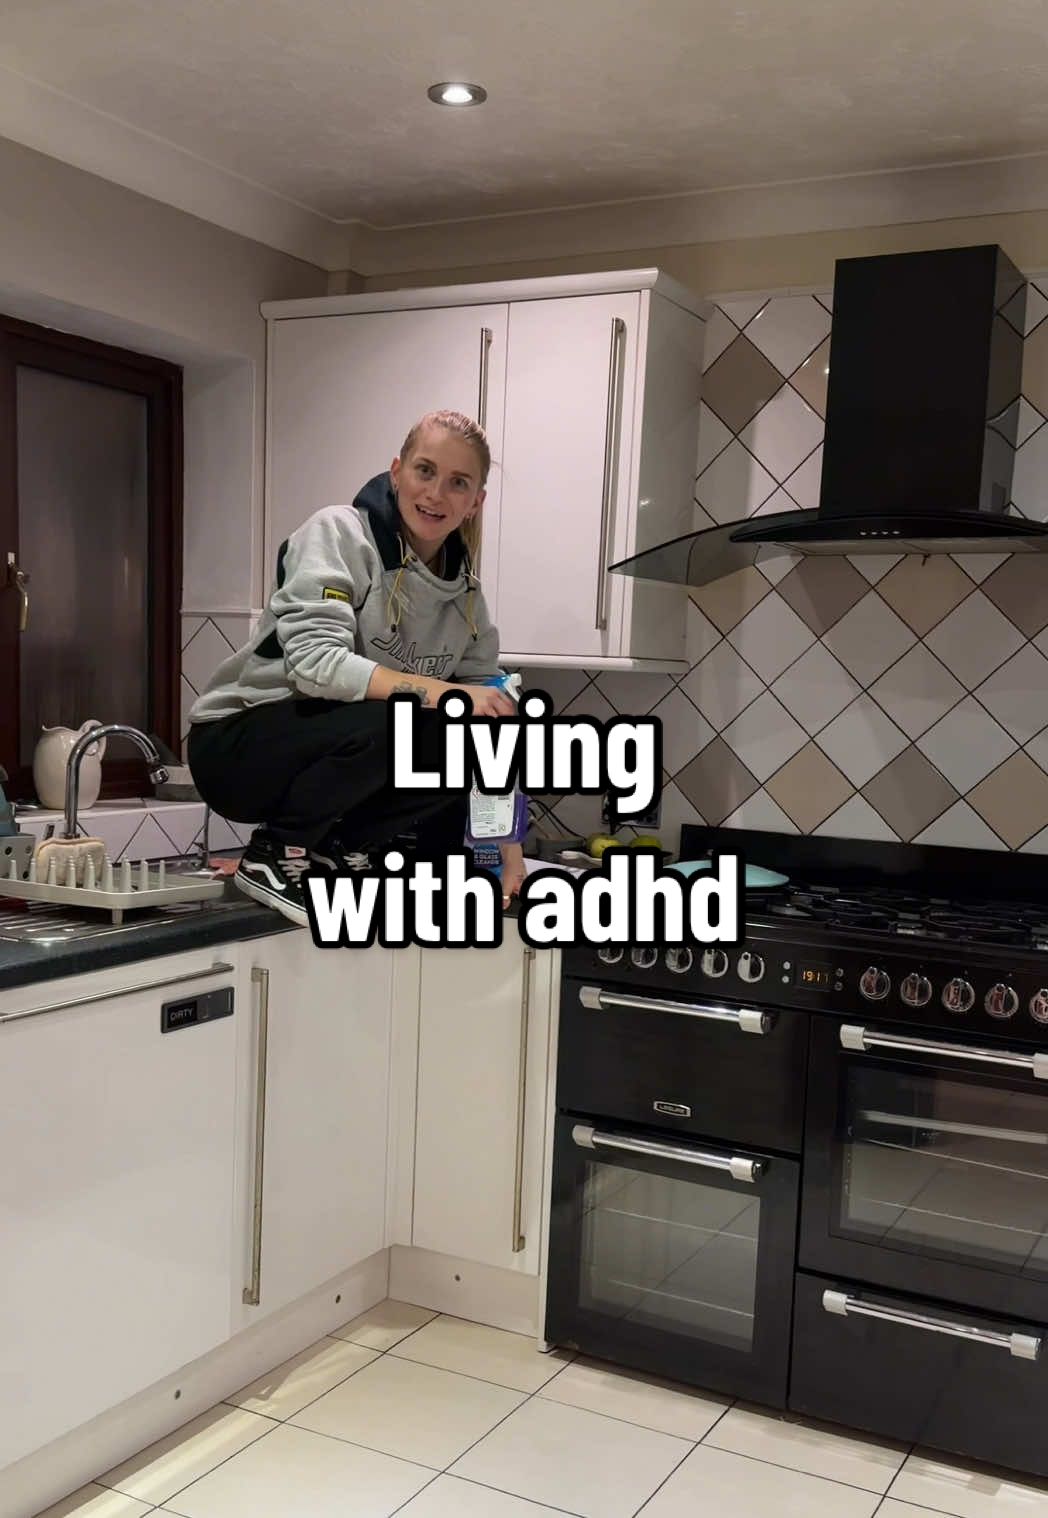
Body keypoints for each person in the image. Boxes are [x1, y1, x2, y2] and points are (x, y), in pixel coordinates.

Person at [187, 409, 525, 926]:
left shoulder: (467, 598)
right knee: (404, 716)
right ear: (397, 472)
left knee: (468, 735)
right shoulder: (339, 533)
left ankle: (340, 848)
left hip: (333, 757)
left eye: (458, 482)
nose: (436, 493)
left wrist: (509, 850)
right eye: (425, 470)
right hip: (236, 746)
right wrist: (446, 693)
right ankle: (275, 853)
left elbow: (491, 723)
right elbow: (316, 666)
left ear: (475, 502)